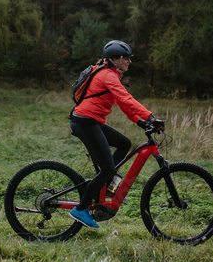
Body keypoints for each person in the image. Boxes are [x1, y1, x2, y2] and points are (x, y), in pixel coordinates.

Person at [68, 40, 164, 229]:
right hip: (85, 122)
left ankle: (106, 185)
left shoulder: (112, 74)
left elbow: (123, 104)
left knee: (123, 143)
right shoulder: (107, 75)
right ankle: (81, 209)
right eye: (126, 59)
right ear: (115, 59)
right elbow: (126, 98)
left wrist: (141, 122)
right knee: (107, 169)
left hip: (91, 121)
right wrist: (151, 118)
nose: (129, 62)